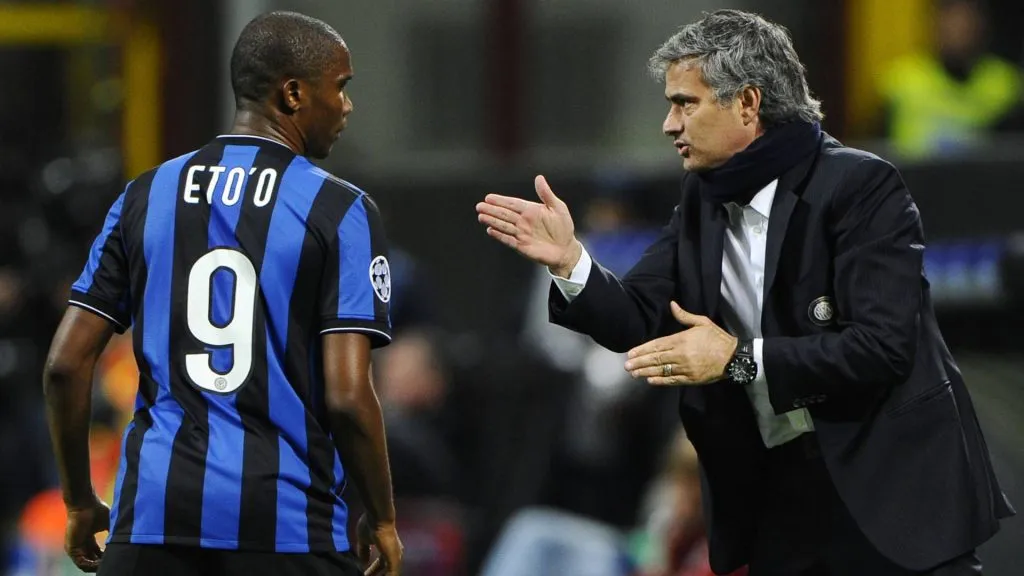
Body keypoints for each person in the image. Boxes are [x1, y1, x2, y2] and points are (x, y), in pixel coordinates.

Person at [477, 9, 1013, 576]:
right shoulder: (702, 205)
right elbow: (636, 316)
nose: (668, 123)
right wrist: (573, 261)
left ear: (748, 104)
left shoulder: (861, 186)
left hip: (890, 497)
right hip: (778, 503)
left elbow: (881, 348)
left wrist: (736, 360)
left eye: (686, 103)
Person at [43, 11, 402, 576]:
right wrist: (381, 517)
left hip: (152, 523)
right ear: (293, 93)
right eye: (341, 87)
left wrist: (79, 500)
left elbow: (65, 364)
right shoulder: (339, 210)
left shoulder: (145, 195)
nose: (347, 105)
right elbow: (349, 398)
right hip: (286, 527)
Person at [880, 0, 1022, 157]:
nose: (960, 29)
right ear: (934, 23)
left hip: (983, 178)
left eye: (967, 19)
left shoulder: (1004, 83)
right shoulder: (901, 79)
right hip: (914, 179)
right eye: (951, 19)